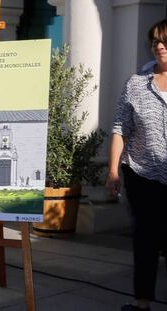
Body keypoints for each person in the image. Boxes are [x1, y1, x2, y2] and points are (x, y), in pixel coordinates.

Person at [106, 19, 167, 311]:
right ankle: (141, 302)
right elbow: (120, 128)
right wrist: (113, 170)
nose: (159, 46)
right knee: (145, 240)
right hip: (142, 173)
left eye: (165, 40)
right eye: (155, 41)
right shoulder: (136, 84)